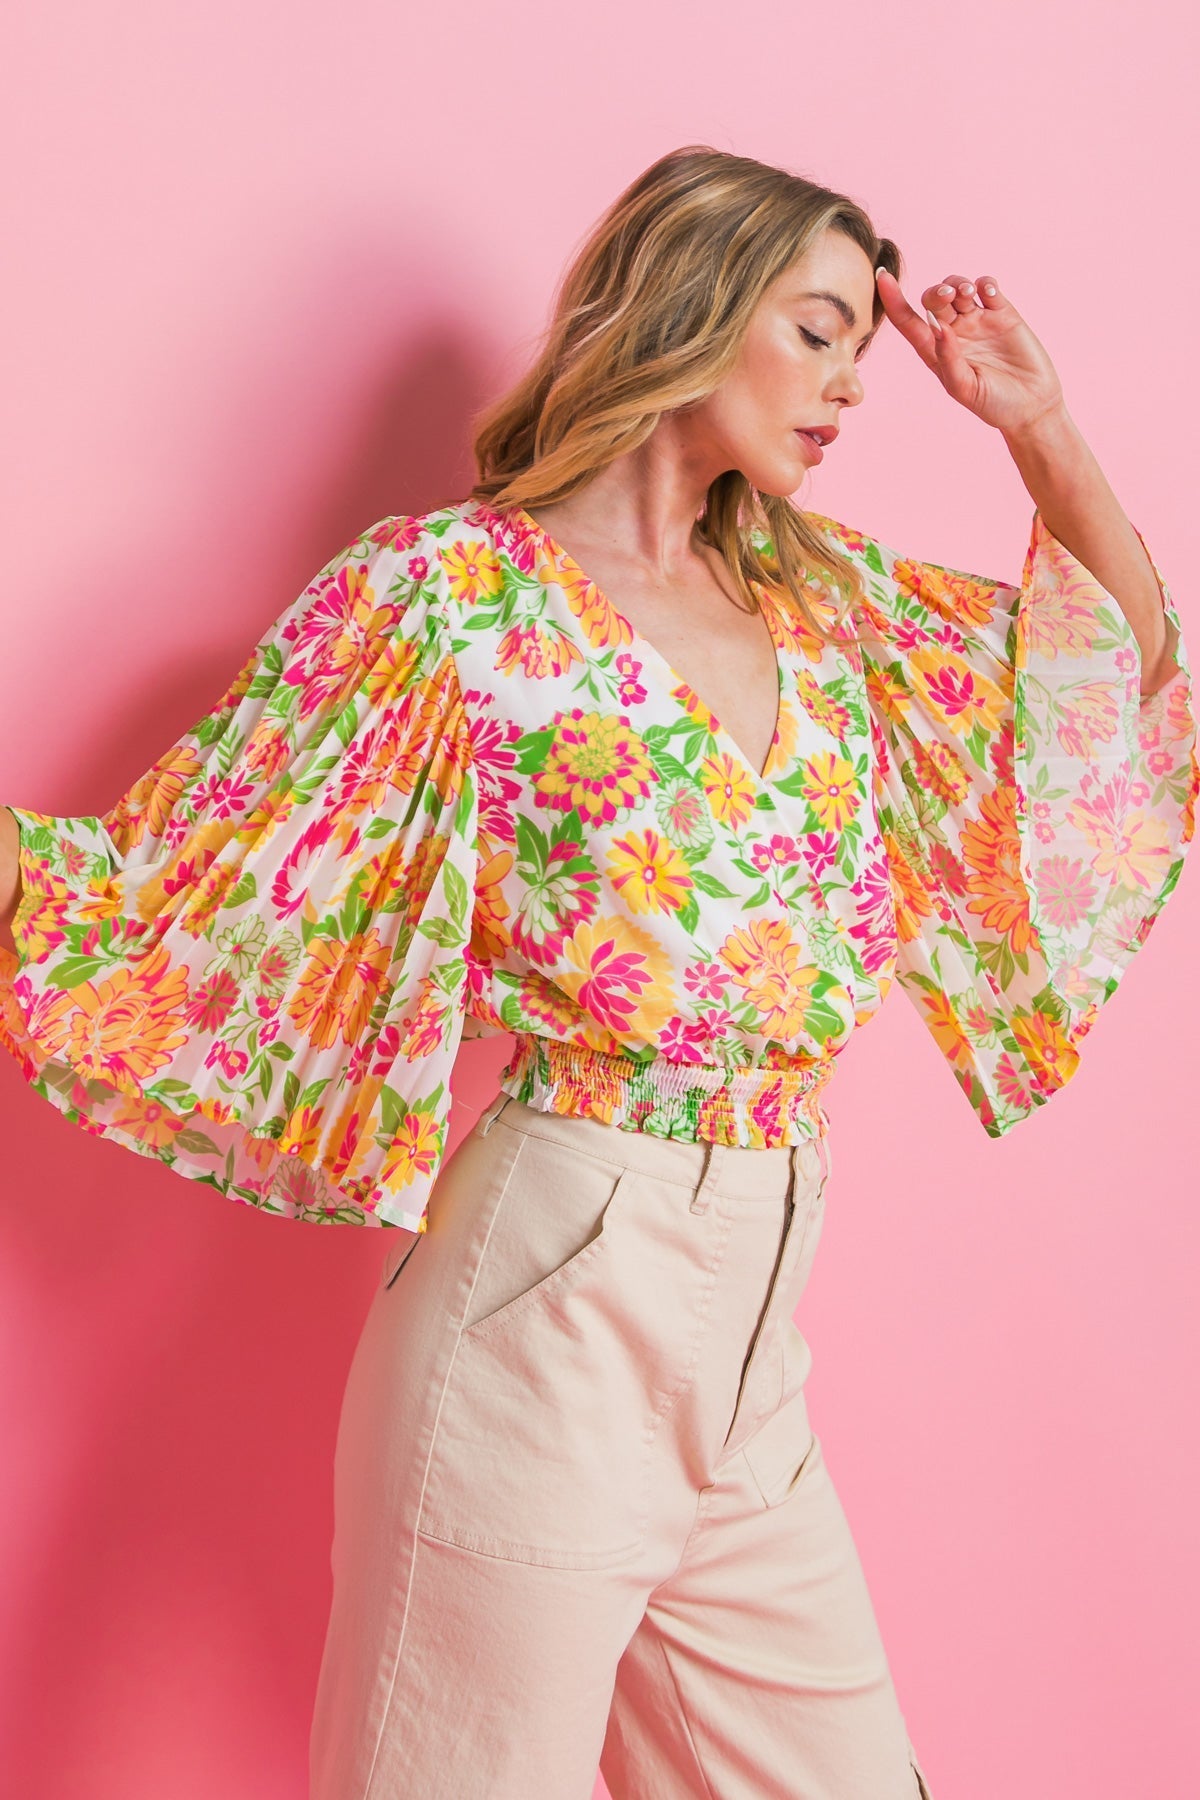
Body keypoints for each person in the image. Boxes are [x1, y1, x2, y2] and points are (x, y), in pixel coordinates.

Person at [0, 145, 1194, 1799]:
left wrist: (1038, 427)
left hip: (758, 1330)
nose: (855, 384)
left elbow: (1110, 688)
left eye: (860, 346)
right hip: (548, 1295)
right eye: (819, 331)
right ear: (694, 307)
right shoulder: (450, 599)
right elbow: (175, 869)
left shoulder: (823, 602)